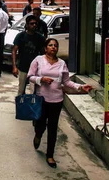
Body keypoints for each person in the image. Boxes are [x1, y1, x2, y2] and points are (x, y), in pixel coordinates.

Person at [28, 38, 92, 168]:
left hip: (56, 100)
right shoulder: (38, 60)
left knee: (53, 128)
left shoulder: (62, 63)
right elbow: (30, 76)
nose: (53, 47)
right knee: (40, 125)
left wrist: (80, 87)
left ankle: (50, 155)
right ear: (45, 48)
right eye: (50, 45)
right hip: (41, 100)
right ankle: (38, 135)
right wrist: (41, 79)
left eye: (55, 46)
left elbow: (67, 82)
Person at [12, 15, 46, 95]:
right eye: (31, 23)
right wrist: (14, 67)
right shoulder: (20, 36)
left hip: (35, 69)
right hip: (22, 67)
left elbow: (43, 53)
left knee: (34, 91)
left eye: (35, 23)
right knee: (21, 91)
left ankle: (32, 107)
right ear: (27, 25)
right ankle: (20, 106)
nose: (34, 25)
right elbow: (14, 51)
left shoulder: (40, 38)